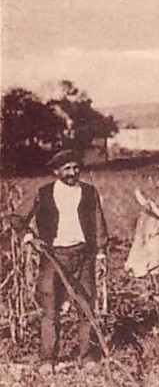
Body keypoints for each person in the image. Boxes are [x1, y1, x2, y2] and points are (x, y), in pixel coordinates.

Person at [11, 150, 108, 375]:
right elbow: (16, 218)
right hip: (52, 258)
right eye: (67, 168)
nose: (73, 172)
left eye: (76, 167)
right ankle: (48, 360)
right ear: (56, 171)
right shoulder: (43, 193)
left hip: (84, 256)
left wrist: (101, 253)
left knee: (86, 308)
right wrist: (30, 238)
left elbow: (99, 222)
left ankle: (88, 357)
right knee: (50, 310)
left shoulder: (89, 192)